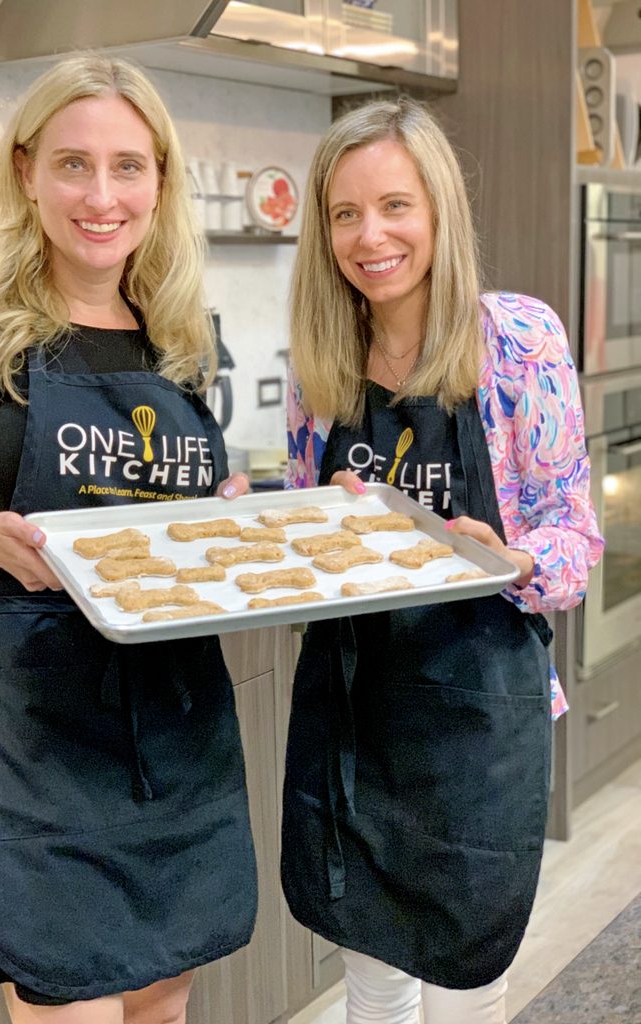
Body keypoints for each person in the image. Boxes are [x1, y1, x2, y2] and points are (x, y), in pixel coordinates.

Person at [0, 54, 258, 1024]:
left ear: (160, 181)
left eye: (128, 165)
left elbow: (180, 528)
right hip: (41, 736)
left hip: (175, 727)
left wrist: (235, 520)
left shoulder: (183, 340)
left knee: (162, 1011)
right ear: (25, 171)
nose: (101, 192)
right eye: (74, 163)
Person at [280, 97, 604, 1024]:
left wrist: (509, 558)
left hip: (477, 721)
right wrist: (295, 528)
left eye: (394, 206)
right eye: (345, 213)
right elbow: (313, 557)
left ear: (439, 212)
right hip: (352, 709)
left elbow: (574, 542)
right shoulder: (320, 365)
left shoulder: (518, 341)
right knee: (373, 989)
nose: (369, 235)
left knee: (469, 988)